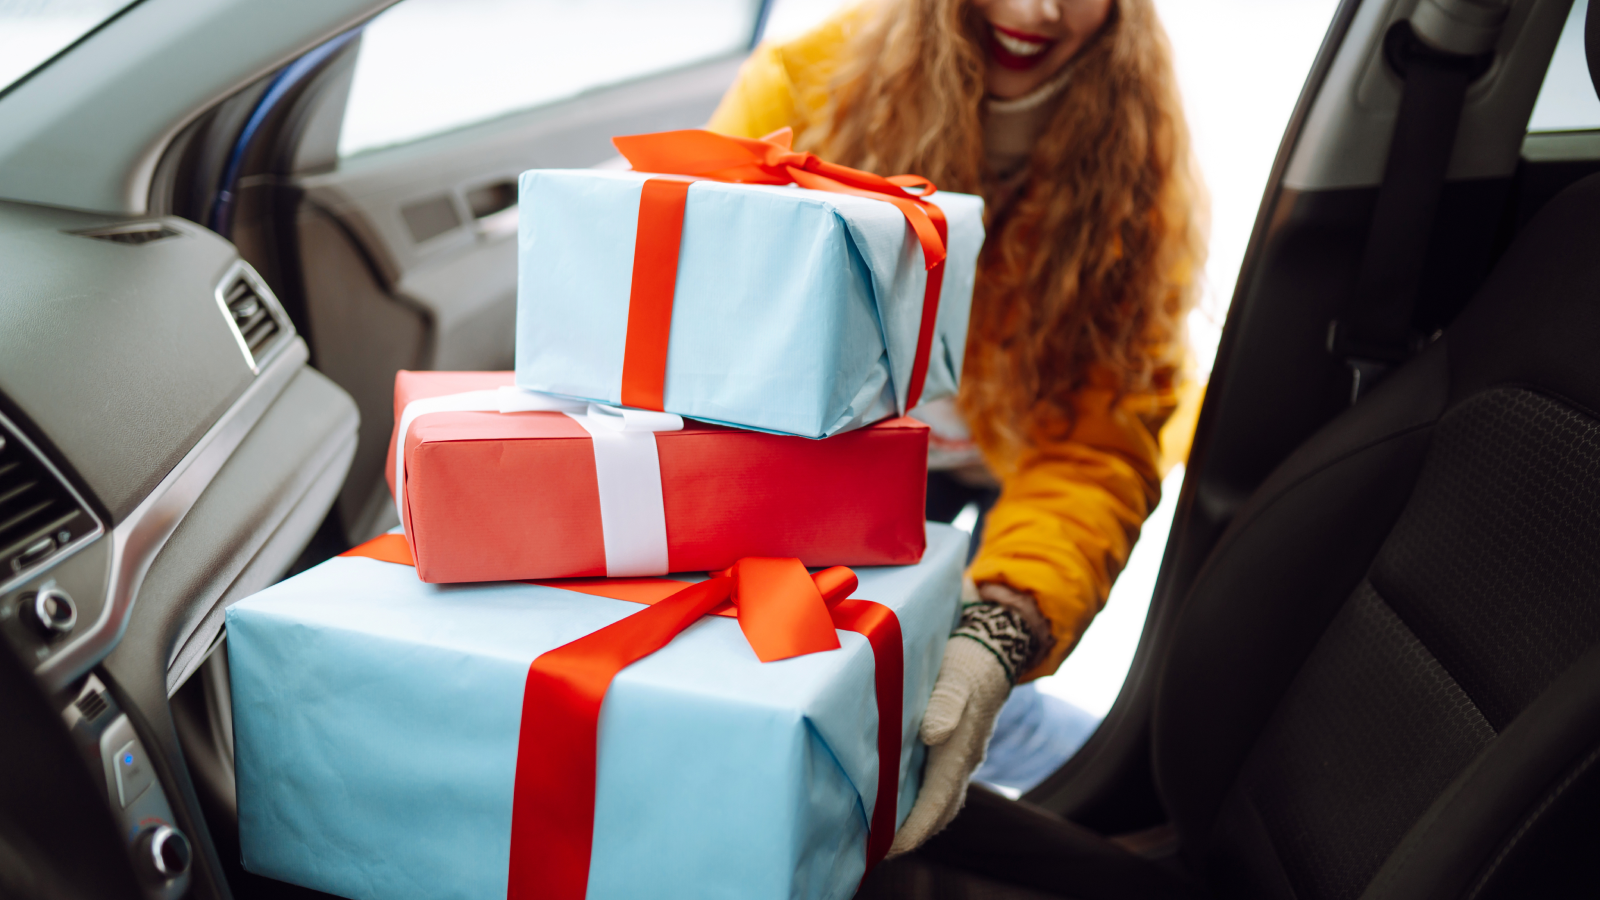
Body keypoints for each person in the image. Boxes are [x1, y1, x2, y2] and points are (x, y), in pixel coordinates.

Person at [708, 0, 1206, 884]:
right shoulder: (799, 91)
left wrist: (1005, 623)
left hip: (1007, 447)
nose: (1038, 11)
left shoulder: (1136, 150)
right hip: (839, 453)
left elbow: (1093, 444)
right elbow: (709, 331)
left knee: (967, 665)